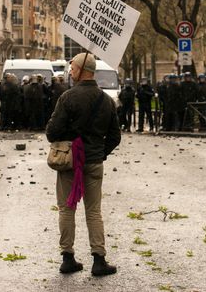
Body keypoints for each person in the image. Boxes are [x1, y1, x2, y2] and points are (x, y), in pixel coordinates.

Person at [46, 52, 121, 276]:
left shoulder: (67, 98)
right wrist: (99, 153)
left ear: (81, 70)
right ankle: (99, 260)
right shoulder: (106, 100)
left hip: (69, 161)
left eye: (72, 68)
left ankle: (67, 258)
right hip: (95, 161)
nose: (70, 71)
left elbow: (52, 132)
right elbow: (115, 136)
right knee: (94, 211)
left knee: (66, 208)